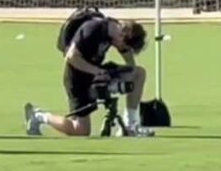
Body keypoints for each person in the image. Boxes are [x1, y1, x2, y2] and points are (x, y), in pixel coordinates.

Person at [25, 15, 153, 138]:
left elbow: (129, 60)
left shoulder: (116, 33)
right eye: (125, 47)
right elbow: (71, 57)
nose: (124, 50)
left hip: (97, 72)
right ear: (122, 36)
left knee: (138, 73)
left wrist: (130, 74)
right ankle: (38, 116)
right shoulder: (92, 29)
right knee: (80, 130)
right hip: (77, 78)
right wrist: (97, 71)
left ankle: (130, 125)